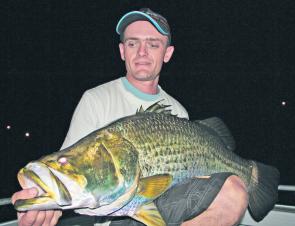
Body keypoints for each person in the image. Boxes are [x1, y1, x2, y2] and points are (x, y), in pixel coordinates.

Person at [12, 8, 248, 226]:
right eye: (133, 43)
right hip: (111, 217)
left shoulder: (177, 110)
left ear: (167, 53)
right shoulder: (96, 99)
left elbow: (182, 190)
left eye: (153, 44)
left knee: (234, 193)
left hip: (161, 206)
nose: (142, 52)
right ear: (122, 51)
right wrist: (48, 203)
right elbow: (74, 166)